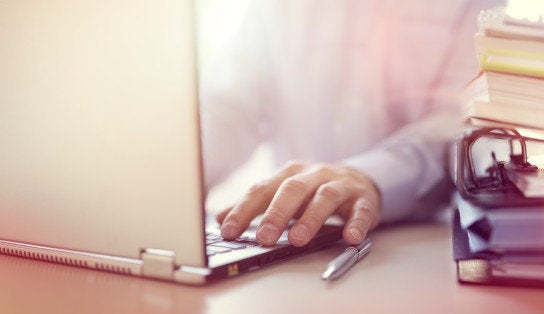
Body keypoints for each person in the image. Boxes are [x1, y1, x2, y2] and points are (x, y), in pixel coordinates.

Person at [199, 0, 501, 247]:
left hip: (414, 245)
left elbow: (464, 119)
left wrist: (372, 176)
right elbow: (230, 107)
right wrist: (180, 175)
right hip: (288, 239)